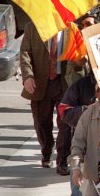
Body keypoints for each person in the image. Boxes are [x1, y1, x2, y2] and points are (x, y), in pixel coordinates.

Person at [20, 23, 69, 173]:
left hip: (64, 83)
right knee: (41, 123)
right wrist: (28, 76)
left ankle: (62, 160)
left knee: (65, 124)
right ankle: (47, 150)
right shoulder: (33, 27)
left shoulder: (71, 28)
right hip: (41, 83)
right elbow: (25, 52)